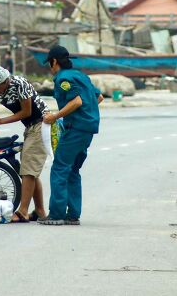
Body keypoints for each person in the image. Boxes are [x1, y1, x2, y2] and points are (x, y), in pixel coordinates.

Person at [40, 45, 103, 226]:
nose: (50, 67)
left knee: (59, 167)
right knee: (73, 170)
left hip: (76, 129)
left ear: (54, 62)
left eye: (49, 64)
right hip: (88, 128)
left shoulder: (63, 79)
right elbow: (98, 98)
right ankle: (73, 214)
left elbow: (77, 100)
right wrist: (87, 115)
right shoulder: (81, 75)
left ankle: (57, 214)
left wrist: (55, 117)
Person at [0, 66, 49, 223]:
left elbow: (26, 112)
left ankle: (23, 211)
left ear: (6, 81)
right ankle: (39, 210)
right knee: (30, 170)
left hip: (41, 123)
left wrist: (1, 121)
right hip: (30, 126)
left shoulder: (19, 83)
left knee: (28, 170)